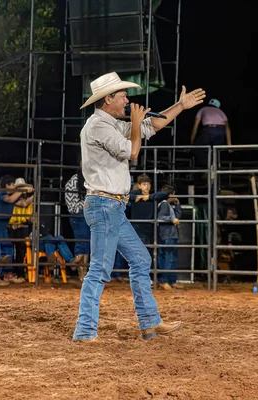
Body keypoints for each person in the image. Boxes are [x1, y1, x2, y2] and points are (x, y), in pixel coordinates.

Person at [72, 71, 205, 342]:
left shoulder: (110, 123)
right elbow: (133, 151)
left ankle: (149, 322)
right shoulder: (98, 126)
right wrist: (134, 122)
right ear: (108, 99)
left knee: (140, 260)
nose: (127, 99)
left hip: (112, 206)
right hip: (105, 204)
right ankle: (85, 330)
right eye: (122, 95)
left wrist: (180, 106)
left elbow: (149, 127)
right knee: (99, 269)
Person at [190, 98, 232, 168]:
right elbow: (227, 128)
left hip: (208, 130)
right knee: (216, 151)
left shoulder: (202, 109)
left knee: (196, 149)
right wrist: (229, 145)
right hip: (221, 131)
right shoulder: (221, 112)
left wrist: (192, 144)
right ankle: (214, 169)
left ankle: (208, 167)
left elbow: (195, 127)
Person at [64, 163, 89, 280]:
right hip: (78, 214)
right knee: (82, 242)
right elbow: (71, 206)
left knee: (87, 243)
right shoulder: (73, 181)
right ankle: (80, 268)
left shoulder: (92, 180)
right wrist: (86, 204)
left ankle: (81, 268)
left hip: (88, 215)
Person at [156, 184, 182, 291]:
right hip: (167, 234)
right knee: (168, 258)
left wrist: (178, 205)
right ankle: (165, 280)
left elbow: (177, 215)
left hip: (168, 234)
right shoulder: (164, 205)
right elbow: (161, 218)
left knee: (170, 257)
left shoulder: (166, 205)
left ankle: (171, 280)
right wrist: (172, 220)